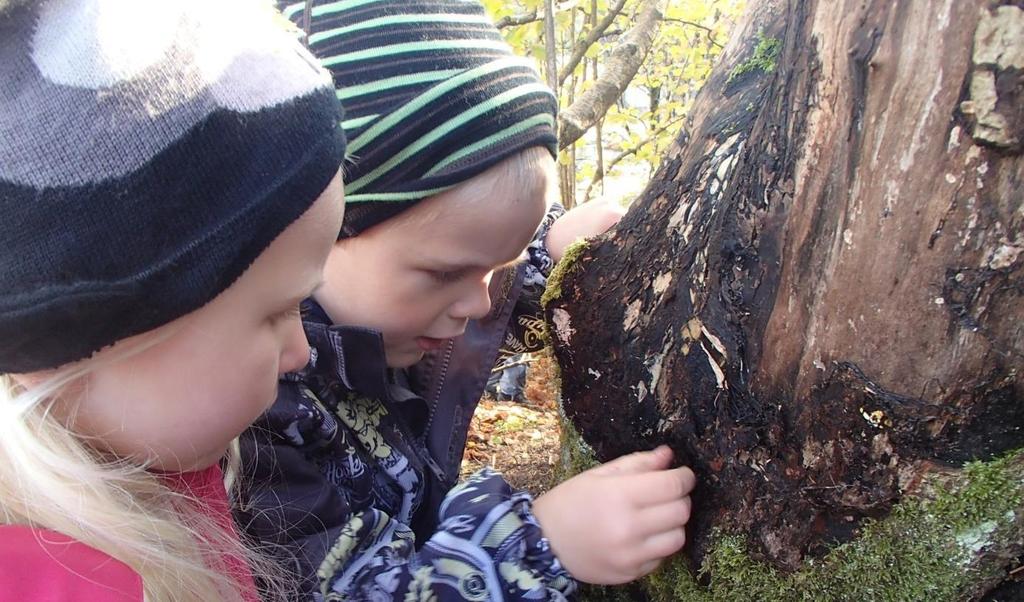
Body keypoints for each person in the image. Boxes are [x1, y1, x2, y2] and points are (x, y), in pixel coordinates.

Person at [235, 2, 696, 600]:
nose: (478, 303)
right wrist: (534, 548)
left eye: (495, 265)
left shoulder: (387, 307)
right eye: (449, 272)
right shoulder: (254, 418)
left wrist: (554, 252)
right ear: (310, 230)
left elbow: (474, 270)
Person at [0, 0, 347, 600]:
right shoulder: (61, 583)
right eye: (274, 313)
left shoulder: (144, 460)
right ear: (65, 345)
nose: (300, 351)